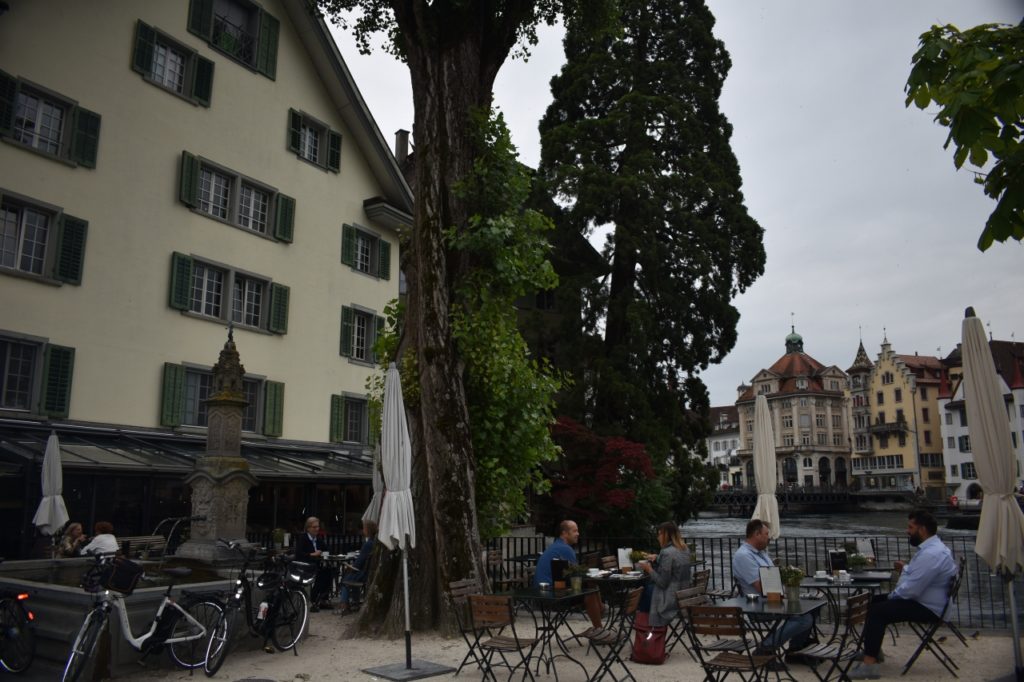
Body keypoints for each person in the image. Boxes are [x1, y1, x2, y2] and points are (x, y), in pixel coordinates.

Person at [849, 510, 956, 680]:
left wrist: (892, 596)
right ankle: (874, 651)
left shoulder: (931, 554)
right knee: (874, 602)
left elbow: (911, 590)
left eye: (910, 527)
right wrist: (905, 570)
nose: (907, 531)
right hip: (929, 602)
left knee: (878, 612)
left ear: (922, 530)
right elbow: (918, 576)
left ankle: (870, 665)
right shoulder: (934, 550)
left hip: (927, 607)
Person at [731, 519, 813, 656]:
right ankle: (766, 648)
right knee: (804, 618)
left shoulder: (761, 553)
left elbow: (772, 579)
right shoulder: (743, 556)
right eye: (766, 533)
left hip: (772, 600)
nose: (768, 537)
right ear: (757, 535)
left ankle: (795, 650)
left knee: (812, 609)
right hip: (758, 606)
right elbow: (761, 587)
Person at [533, 520, 603, 631]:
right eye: (575, 531)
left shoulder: (557, 546)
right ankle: (599, 629)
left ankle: (601, 615)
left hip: (543, 593)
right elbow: (577, 575)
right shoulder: (565, 549)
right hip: (552, 594)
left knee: (591, 587)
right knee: (590, 594)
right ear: (565, 533)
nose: (578, 534)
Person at [638, 521, 692, 627]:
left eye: (659, 534)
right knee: (646, 591)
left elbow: (662, 583)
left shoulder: (666, 552)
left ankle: (646, 628)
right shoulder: (684, 549)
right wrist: (657, 558)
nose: (658, 537)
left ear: (665, 535)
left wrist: (648, 569)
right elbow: (674, 563)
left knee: (642, 591)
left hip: (669, 600)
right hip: (683, 596)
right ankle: (647, 626)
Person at [338, 520, 377, 614]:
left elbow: (359, 563)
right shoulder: (374, 543)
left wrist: (350, 566)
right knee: (350, 576)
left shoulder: (368, 544)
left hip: (363, 574)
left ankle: (344, 606)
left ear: (367, 530)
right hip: (367, 572)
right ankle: (355, 602)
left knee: (346, 580)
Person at [295, 516, 332, 611]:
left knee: (330, 571)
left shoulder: (318, 539)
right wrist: (312, 554)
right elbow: (299, 554)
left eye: (318, 527)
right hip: (306, 565)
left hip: (317, 564)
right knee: (322, 574)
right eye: (314, 527)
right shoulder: (303, 538)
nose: (317, 529)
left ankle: (323, 598)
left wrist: (323, 554)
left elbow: (326, 549)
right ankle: (314, 598)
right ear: (308, 528)